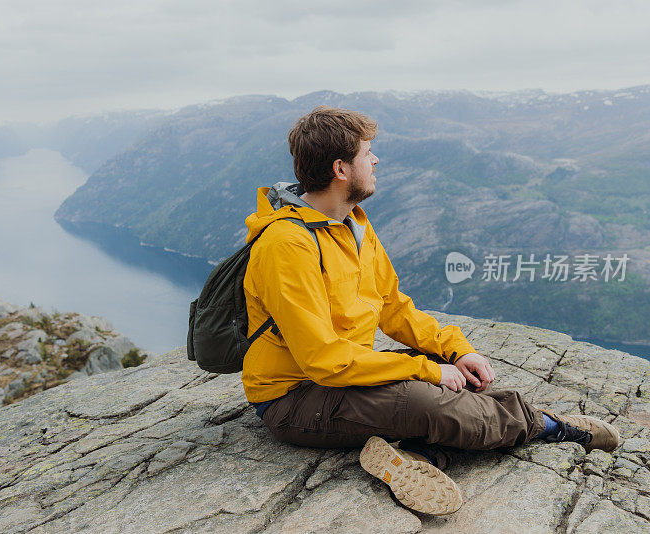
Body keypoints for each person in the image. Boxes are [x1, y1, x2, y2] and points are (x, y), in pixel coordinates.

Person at [241, 106, 619, 515]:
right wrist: (425, 370)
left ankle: (416, 455)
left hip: (343, 376)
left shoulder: (351, 226)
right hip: (296, 398)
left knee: (461, 381)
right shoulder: (288, 246)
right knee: (432, 402)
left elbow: (394, 308)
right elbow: (322, 359)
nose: (376, 160)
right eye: (367, 153)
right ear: (341, 169)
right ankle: (550, 426)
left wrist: (455, 351)